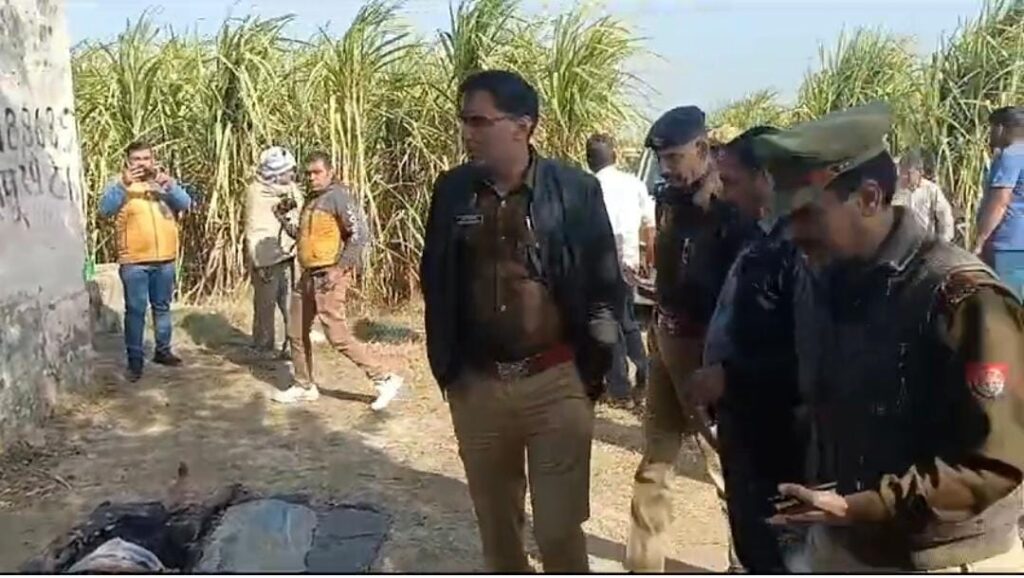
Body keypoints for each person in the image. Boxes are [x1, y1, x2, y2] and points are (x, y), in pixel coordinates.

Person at [752, 102, 1024, 572]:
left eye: (807, 216)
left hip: (941, 557)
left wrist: (863, 505)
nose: (792, 235)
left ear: (869, 197)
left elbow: (995, 462)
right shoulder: (821, 281)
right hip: (841, 541)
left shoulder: (961, 296)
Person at [419, 70, 621, 572]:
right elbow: (436, 278)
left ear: (522, 126)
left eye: (479, 121)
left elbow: (603, 285)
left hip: (555, 381)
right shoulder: (453, 191)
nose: (467, 132)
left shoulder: (574, 190)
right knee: (498, 532)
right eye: (464, 120)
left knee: (558, 531)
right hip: (478, 386)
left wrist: (590, 374)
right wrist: (450, 371)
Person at [625, 106, 760, 573]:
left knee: (727, 467)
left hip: (706, 351)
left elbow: (739, 291)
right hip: (664, 338)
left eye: (674, 157)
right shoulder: (668, 201)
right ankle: (643, 564)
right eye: (662, 159)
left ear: (703, 149)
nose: (666, 168)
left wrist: (723, 363)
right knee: (655, 463)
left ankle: (745, 563)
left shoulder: (732, 210)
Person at [694, 126, 807, 572]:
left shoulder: (800, 250)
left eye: (732, 181)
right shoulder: (758, 237)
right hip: (745, 429)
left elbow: (811, 355)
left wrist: (730, 378)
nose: (723, 193)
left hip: (779, 441)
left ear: (766, 178)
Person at [271, 151, 404, 409]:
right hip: (308, 275)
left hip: (328, 275)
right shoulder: (312, 201)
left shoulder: (339, 197)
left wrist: (339, 269)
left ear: (330, 172)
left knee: (337, 335)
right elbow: (303, 236)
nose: (312, 177)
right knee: (296, 332)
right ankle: (304, 385)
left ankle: (384, 378)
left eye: (317, 172)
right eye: (308, 173)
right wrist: (283, 219)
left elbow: (359, 234)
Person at [98, 141, 192, 382]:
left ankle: (163, 351)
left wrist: (166, 183)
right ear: (128, 162)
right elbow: (105, 209)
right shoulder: (120, 184)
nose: (142, 164)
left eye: (146, 158)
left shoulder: (162, 182)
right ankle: (135, 362)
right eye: (136, 159)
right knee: (136, 311)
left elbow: (185, 203)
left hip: (165, 258)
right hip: (134, 260)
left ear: (153, 159)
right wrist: (124, 184)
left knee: (162, 307)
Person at [586, 133, 653, 407]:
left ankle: (620, 388)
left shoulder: (589, 186)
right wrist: (648, 258)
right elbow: (649, 225)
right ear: (614, 156)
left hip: (601, 261)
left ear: (589, 160)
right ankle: (645, 374)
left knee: (608, 322)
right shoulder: (634, 183)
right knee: (627, 320)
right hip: (629, 262)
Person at [244, 146, 303, 358]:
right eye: (288, 171)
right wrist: (259, 262)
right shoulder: (257, 193)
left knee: (291, 304)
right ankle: (264, 347)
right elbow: (255, 228)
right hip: (266, 259)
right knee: (265, 306)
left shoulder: (291, 189)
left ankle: (293, 345)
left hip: (289, 254)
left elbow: (297, 214)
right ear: (276, 173)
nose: (292, 175)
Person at [976, 106, 1024, 297]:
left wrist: (980, 240)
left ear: (1001, 128)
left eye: (991, 128)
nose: (989, 134)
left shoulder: (1011, 155)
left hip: (1007, 244)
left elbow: (1000, 202)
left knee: (1007, 301)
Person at [893, 150, 955, 242]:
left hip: (924, 242)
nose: (905, 177)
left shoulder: (931, 190)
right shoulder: (895, 190)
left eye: (909, 173)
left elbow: (945, 215)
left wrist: (944, 240)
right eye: (903, 172)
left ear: (920, 172)